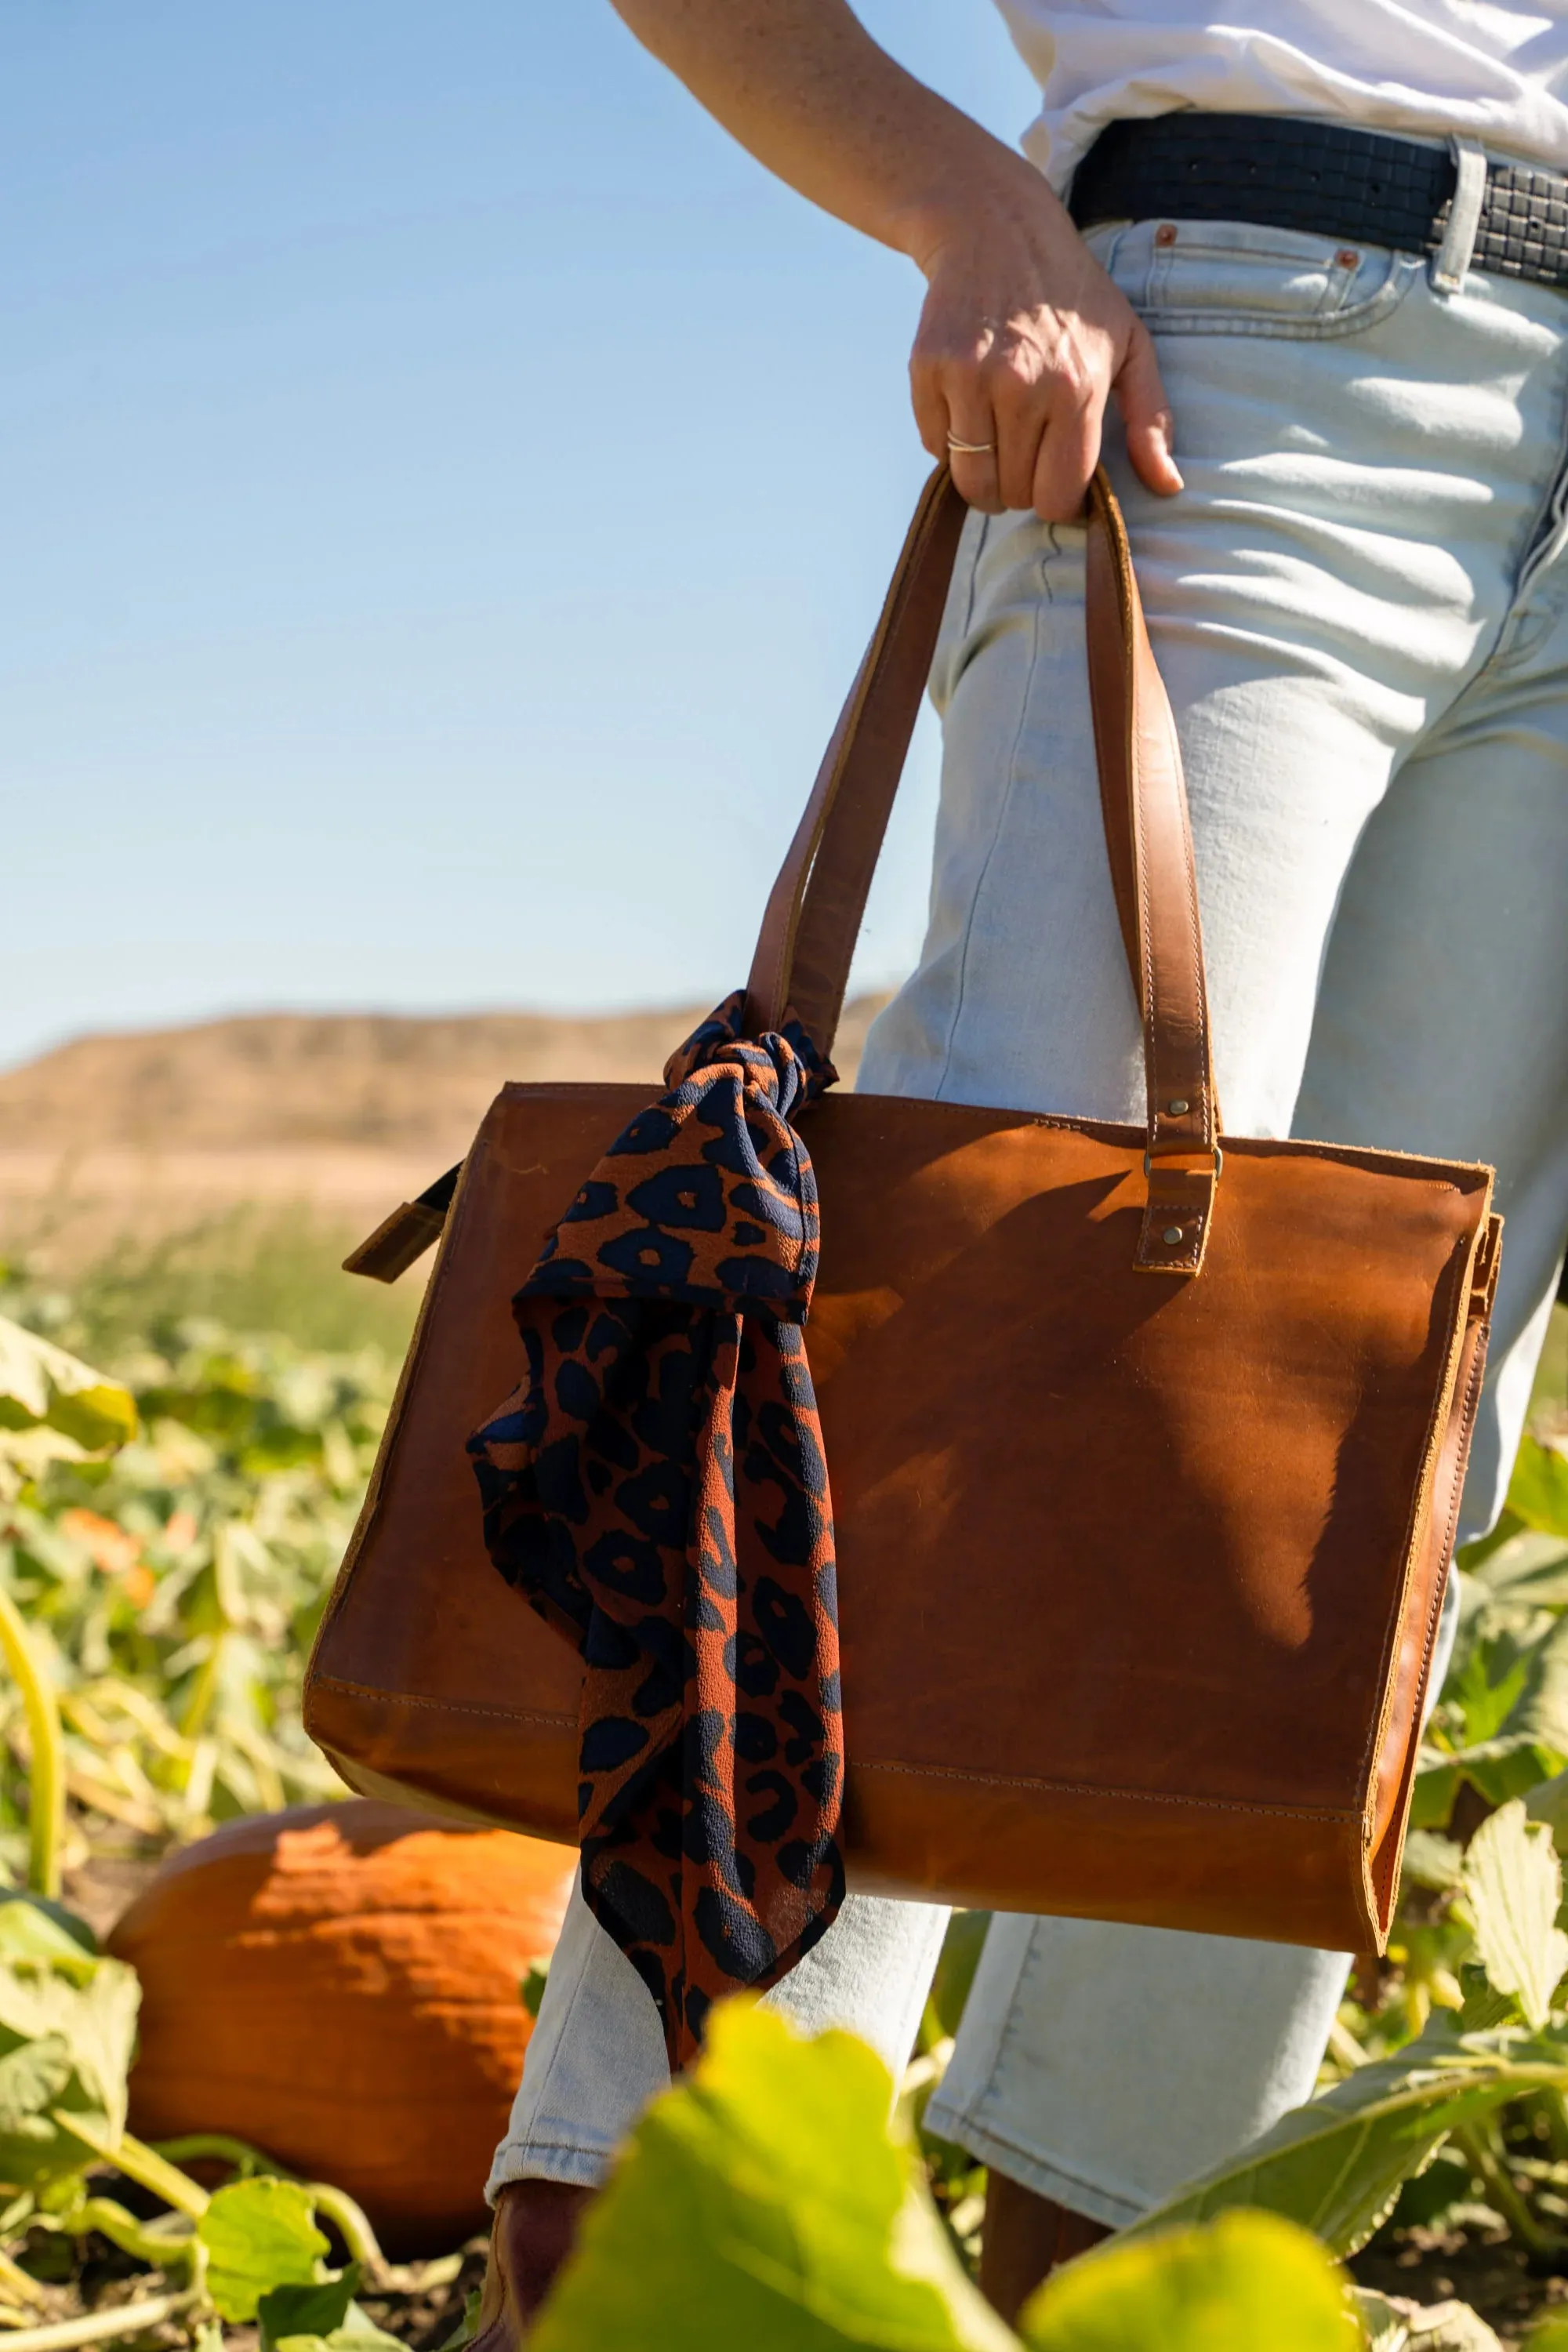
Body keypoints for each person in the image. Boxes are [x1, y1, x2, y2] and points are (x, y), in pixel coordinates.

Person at [473, 2, 1568, 2333]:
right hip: (1258, 353)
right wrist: (970, 201)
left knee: (1369, 1455)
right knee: (981, 1346)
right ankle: (647, 2262)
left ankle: (1120, 2272)